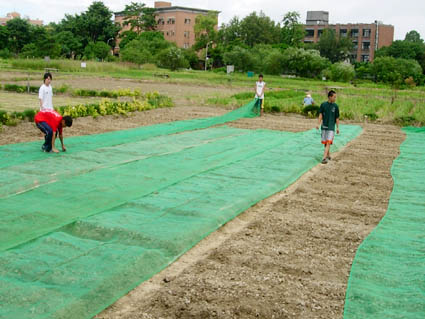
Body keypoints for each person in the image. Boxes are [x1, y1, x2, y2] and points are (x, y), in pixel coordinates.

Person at [316, 90, 340, 164]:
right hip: (324, 126)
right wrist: (318, 124)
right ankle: (328, 155)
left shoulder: (335, 106)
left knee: (328, 142)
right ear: (330, 97)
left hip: (331, 127)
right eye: (334, 97)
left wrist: (337, 127)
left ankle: (324, 158)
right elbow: (320, 115)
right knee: (325, 143)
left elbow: (337, 118)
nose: (335, 98)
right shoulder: (323, 105)